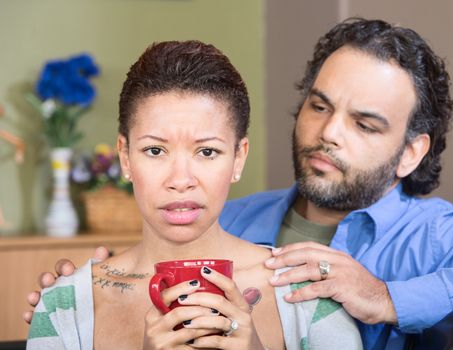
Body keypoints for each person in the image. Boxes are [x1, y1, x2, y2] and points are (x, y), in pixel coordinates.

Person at [27, 18, 453, 349]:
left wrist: (387, 298)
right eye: (320, 105)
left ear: (411, 152)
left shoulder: (436, 236)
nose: (328, 132)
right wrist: (77, 295)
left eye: (365, 124)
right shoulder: (236, 214)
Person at [26, 40, 362, 350]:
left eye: (207, 152)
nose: (181, 180)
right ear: (125, 157)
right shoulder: (63, 304)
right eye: (155, 150)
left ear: (238, 158)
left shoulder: (309, 294)